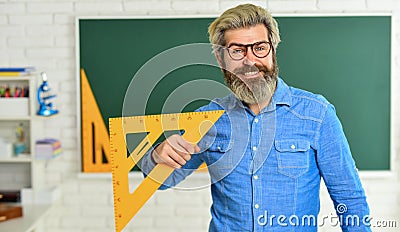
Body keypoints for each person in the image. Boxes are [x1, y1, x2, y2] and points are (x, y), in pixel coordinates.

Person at [141, 4, 371, 231]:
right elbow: (161, 182)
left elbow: (349, 198)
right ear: (221, 59)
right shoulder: (207, 119)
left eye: (259, 48)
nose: (250, 61)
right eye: (237, 51)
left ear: (273, 50)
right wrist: (157, 155)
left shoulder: (318, 115)